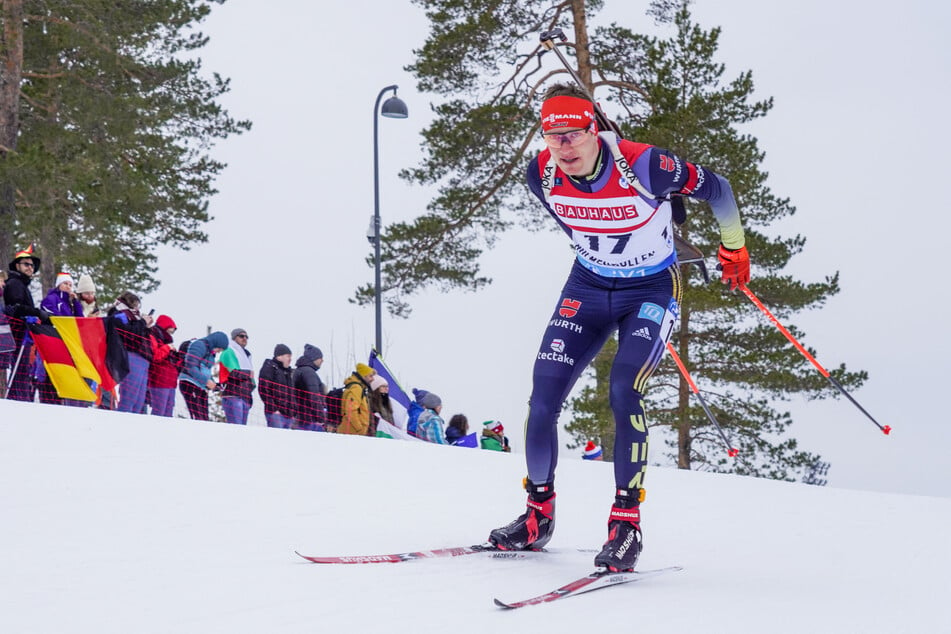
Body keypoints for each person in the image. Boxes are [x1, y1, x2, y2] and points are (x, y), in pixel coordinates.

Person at [487, 84, 750, 574]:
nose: (562, 147)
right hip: (586, 288)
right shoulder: (539, 174)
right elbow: (580, 227)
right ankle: (537, 516)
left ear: (594, 130)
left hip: (649, 291)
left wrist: (733, 246)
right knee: (542, 397)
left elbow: (719, 189)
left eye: (572, 134)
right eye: (552, 135)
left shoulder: (645, 165)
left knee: (623, 390)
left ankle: (625, 526)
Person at [3, 245, 45, 402]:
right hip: (16, 335)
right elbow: (16, 308)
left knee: (22, 369)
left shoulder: (22, 284)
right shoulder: (15, 283)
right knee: (18, 369)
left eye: (32, 265)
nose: (30, 268)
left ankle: (20, 399)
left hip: (23, 335)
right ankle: (17, 400)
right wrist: (37, 313)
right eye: (26, 264)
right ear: (17, 266)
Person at [107, 292, 155, 414]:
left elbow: (138, 332)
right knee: (129, 397)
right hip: (130, 355)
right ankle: (121, 423)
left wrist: (146, 326)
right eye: (136, 305)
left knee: (139, 400)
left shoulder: (134, 317)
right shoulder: (119, 314)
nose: (137, 308)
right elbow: (129, 333)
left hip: (142, 357)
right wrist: (142, 322)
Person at [178, 330, 228, 421]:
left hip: (200, 386)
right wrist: (206, 382)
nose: (219, 351)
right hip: (190, 383)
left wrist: (213, 384)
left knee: (204, 419)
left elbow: (205, 370)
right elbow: (191, 366)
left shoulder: (210, 353)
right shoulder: (199, 345)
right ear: (216, 343)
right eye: (219, 348)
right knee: (197, 417)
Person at [218, 328, 256, 425]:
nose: (245, 338)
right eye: (241, 336)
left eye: (246, 337)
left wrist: (251, 385)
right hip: (233, 395)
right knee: (236, 429)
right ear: (234, 338)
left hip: (245, 396)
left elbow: (251, 378)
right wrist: (248, 374)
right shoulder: (229, 351)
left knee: (242, 430)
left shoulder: (246, 355)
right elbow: (233, 373)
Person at [147, 315, 180, 417]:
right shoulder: (153, 336)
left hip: (170, 381)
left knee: (168, 413)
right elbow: (155, 356)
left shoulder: (167, 341)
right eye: (170, 330)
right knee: (159, 412)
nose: (171, 333)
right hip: (159, 380)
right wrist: (167, 348)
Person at [258, 343, 295, 429]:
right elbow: (263, 389)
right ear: (279, 356)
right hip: (276, 414)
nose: (290, 359)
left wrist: (293, 412)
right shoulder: (270, 368)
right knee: (276, 440)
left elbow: (292, 394)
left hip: (289, 415)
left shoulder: (288, 373)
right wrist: (273, 409)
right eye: (288, 356)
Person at [292, 344, 328, 431]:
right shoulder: (309, 373)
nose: (322, 360)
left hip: (301, 417)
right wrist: (321, 418)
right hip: (309, 419)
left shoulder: (301, 370)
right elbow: (314, 396)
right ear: (314, 358)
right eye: (320, 358)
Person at [337, 362, 374, 436]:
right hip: (351, 431)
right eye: (370, 376)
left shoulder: (359, 388)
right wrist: (359, 428)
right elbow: (350, 409)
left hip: (353, 431)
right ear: (364, 376)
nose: (372, 379)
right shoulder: (356, 388)